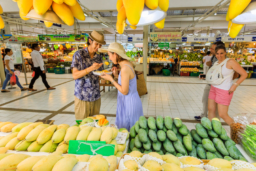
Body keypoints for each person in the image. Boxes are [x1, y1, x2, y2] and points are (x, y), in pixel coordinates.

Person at [99, 42, 143, 130]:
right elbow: (127, 82)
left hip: (129, 103)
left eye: (109, 55)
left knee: (127, 132)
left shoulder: (124, 68)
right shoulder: (127, 64)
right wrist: (116, 76)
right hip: (130, 100)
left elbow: (124, 91)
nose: (109, 58)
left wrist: (111, 79)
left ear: (115, 54)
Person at [208, 45, 247, 125]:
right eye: (217, 53)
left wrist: (235, 85)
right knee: (211, 109)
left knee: (223, 114)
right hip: (213, 88)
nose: (219, 55)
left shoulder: (230, 62)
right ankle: (211, 131)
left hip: (224, 90)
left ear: (225, 52)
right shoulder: (216, 62)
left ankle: (239, 131)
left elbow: (244, 74)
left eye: (221, 53)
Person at [72, 30, 105, 120]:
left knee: (95, 126)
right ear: (90, 41)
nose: (98, 47)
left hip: (95, 97)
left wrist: (112, 73)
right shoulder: (79, 55)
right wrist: (91, 68)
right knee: (82, 127)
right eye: (96, 44)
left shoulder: (99, 58)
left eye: (100, 45)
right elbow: (75, 75)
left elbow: (101, 75)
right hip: (82, 97)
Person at [194, 41, 224, 120]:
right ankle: (204, 115)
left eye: (212, 48)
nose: (210, 49)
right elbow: (212, 69)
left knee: (217, 105)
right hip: (210, 84)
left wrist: (234, 85)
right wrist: (206, 75)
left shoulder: (226, 61)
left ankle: (216, 121)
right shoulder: (214, 57)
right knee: (205, 100)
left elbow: (236, 74)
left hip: (219, 87)